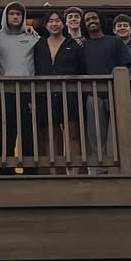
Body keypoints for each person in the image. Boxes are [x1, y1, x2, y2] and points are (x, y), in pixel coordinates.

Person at [32, 10, 87, 174]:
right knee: (51, 133)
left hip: (69, 94)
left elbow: (82, 69)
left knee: (72, 132)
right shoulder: (39, 45)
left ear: (63, 24)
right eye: (51, 21)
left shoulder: (74, 45)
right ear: (46, 24)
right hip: (46, 94)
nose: (54, 24)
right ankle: (54, 171)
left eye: (57, 21)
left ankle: (74, 171)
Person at [81, 9, 131, 174]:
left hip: (116, 93)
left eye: (94, 18)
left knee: (121, 133)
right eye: (87, 19)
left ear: (100, 20)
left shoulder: (115, 41)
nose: (91, 21)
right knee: (95, 136)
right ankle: (98, 171)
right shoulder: (83, 46)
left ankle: (122, 170)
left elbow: (125, 65)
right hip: (92, 95)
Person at [0, 1, 40, 174]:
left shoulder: (32, 37)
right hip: (4, 91)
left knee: (28, 130)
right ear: (6, 16)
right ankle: (6, 169)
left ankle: (30, 170)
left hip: (27, 90)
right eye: (12, 14)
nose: (15, 17)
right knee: (6, 130)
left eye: (18, 14)